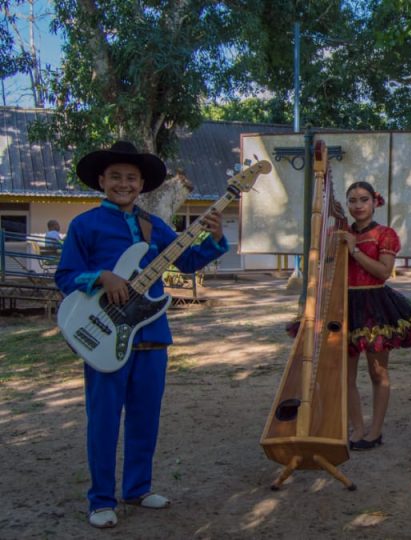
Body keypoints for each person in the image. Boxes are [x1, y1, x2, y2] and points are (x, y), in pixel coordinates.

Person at [54, 141, 229, 529]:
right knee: (103, 419)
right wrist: (101, 276)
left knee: (145, 417)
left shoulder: (155, 225)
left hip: (151, 332)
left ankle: (137, 487)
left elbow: (187, 260)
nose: (123, 183)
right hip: (103, 333)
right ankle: (101, 499)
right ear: (101, 180)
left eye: (130, 178)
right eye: (115, 176)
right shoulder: (84, 225)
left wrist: (213, 238)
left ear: (141, 184)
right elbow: (64, 277)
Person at [338, 181, 411, 451]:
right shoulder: (339, 233)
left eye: (363, 199)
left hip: (375, 305)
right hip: (344, 305)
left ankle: (375, 431)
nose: (358, 205)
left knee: (378, 371)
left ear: (374, 202)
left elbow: (383, 271)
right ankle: (357, 428)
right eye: (352, 200)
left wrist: (354, 249)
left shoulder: (385, 234)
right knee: (345, 376)